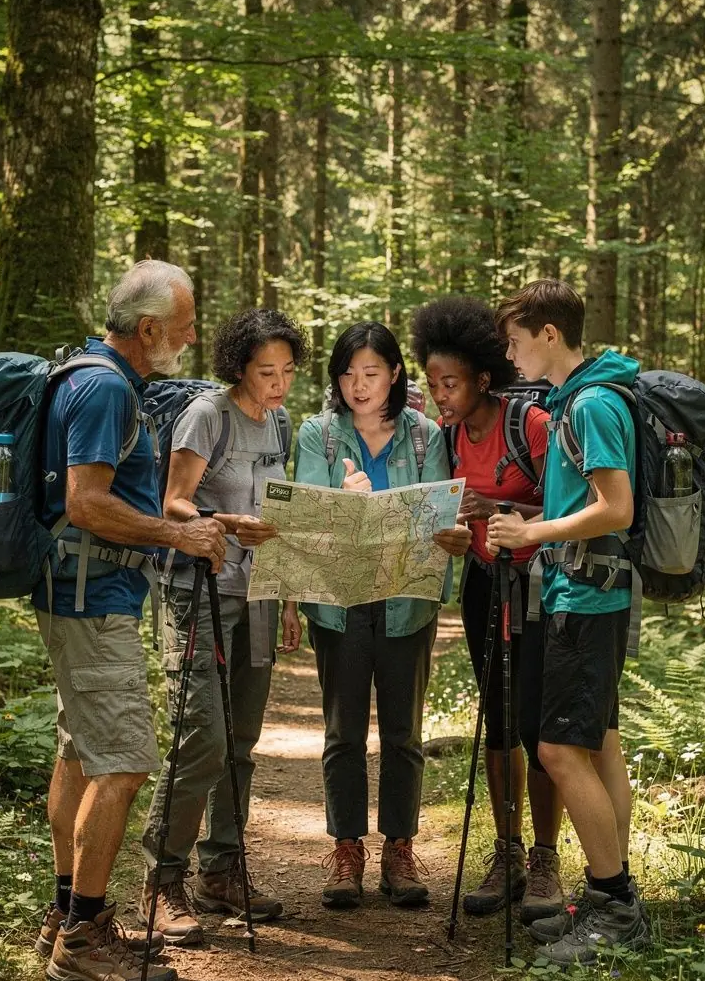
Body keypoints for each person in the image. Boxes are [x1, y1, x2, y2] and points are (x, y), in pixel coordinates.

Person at [32, 260, 226, 981]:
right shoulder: (107, 388)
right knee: (124, 764)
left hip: (82, 591)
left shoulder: (89, 373)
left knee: (81, 754)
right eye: (183, 326)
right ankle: (83, 939)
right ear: (148, 329)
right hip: (92, 599)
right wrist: (177, 535)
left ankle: (64, 915)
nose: (191, 337)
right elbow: (86, 502)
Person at [487, 279, 649, 963]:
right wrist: (533, 524)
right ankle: (612, 897)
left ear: (549, 334)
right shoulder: (578, 399)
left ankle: (615, 909)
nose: (511, 355)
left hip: (585, 600)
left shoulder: (590, 404)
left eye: (516, 341)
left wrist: (533, 533)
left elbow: (616, 507)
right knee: (600, 745)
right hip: (585, 593)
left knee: (557, 752)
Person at [140, 309, 309, 944]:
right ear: (240, 367)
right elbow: (173, 503)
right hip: (199, 589)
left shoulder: (280, 424)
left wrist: (288, 598)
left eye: (287, 371)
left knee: (241, 737)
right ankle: (162, 880)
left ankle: (221, 869)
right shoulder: (207, 415)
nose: (279, 383)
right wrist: (229, 524)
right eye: (267, 372)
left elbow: (282, 512)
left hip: (258, 592)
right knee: (202, 736)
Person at [291, 322, 471, 909]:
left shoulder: (425, 437)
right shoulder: (318, 434)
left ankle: (399, 849)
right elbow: (306, 520)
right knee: (343, 733)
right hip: (339, 604)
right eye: (347, 374)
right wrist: (346, 507)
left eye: (371, 372)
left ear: (395, 373)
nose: (359, 385)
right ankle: (346, 850)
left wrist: (453, 537)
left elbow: (440, 515)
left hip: (407, 605)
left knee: (403, 733)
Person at [412, 297, 564, 923]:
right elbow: (451, 519)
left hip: (538, 586)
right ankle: (506, 854)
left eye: (449, 383)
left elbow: (567, 510)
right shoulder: (447, 436)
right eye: (432, 384)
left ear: (481, 378)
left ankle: (546, 859)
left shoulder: (530, 426)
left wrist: (501, 513)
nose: (440, 395)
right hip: (483, 584)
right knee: (497, 719)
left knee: (537, 723)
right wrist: (454, 533)